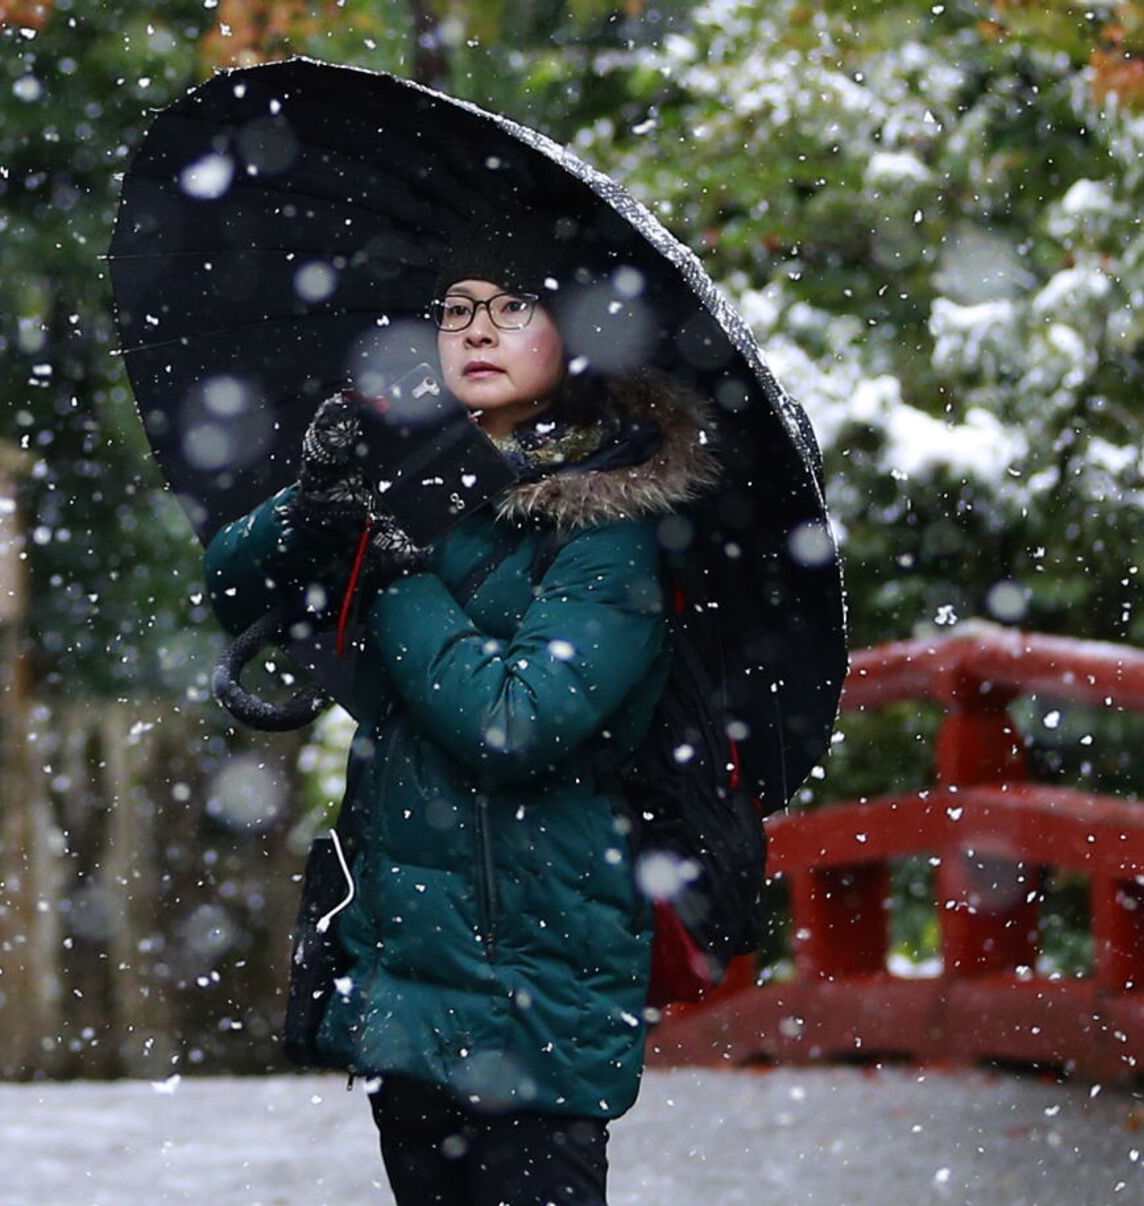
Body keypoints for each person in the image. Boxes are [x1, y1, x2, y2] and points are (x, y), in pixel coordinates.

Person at [203, 222, 721, 1205]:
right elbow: (233, 588)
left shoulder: (609, 529)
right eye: (456, 310)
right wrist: (309, 507)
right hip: (408, 976)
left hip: (538, 982)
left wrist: (396, 580)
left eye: (513, 306)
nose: (476, 330)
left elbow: (513, 722)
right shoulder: (410, 478)